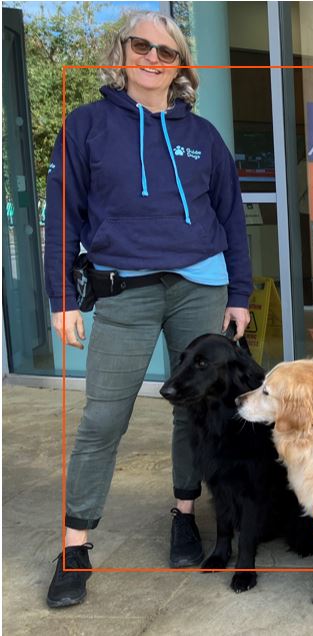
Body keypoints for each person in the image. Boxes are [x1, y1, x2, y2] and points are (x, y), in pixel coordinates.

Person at [43, 12, 252, 607]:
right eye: (142, 46)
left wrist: (239, 294)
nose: (153, 58)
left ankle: (185, 514)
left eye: (166, 51)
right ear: (123, 50)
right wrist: (61, 299)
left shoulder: (204, 136)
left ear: (180, 64)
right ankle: (75, 543)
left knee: (195, 414)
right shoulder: (85, 125)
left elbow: (232, 218)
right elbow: (61, 216)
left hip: (200, 287)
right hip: (123, 290)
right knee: (103, 419)